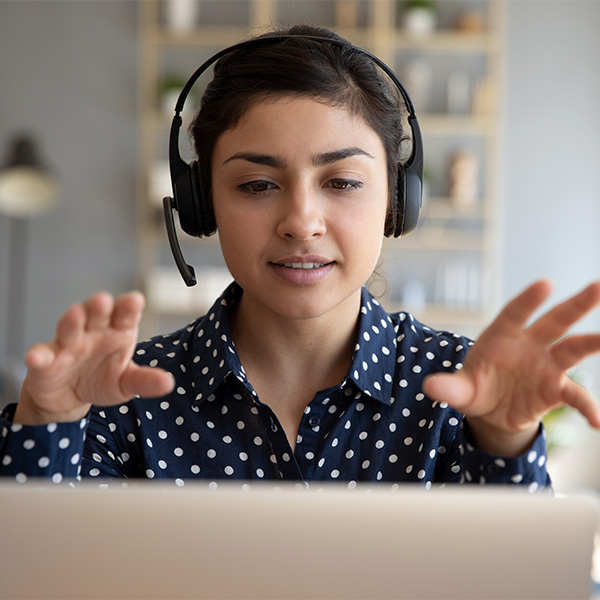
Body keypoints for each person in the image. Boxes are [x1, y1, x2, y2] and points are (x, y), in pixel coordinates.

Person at [1, 25, 599, 489]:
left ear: (398, 200)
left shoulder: (461, 391)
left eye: (341, 182)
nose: (300, 222)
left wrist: (502, 444)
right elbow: (33, 577)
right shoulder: (121, 396)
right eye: (257, 185)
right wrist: (45, 423)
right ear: (200, 203)